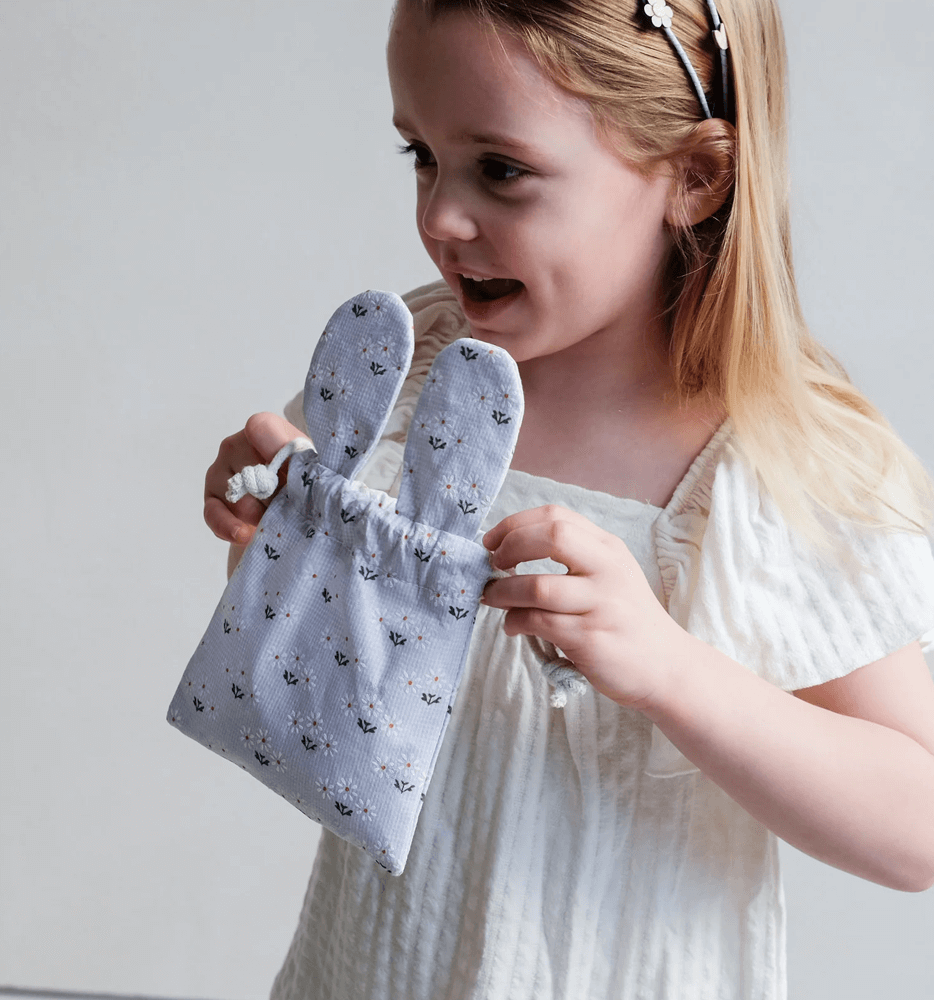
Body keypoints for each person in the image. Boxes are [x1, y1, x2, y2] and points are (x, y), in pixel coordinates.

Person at [202, 1, 934, 997]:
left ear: (694, 178)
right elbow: (323, 703)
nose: (439, 217)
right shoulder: (405, 374)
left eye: (501, 169)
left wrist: (670, 669)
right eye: (422, 155)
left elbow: (916, 828)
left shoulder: (772, 465)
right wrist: (273, 550)